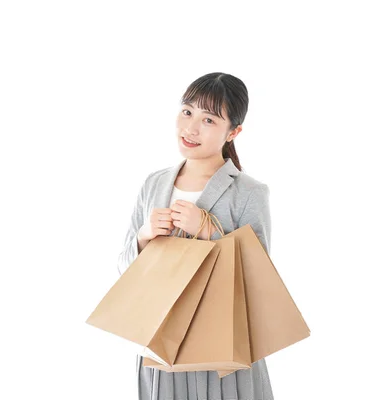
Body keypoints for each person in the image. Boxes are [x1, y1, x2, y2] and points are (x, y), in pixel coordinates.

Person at [117, 72, 274, 400]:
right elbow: (124, 271)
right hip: (162, 344)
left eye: (209, 119)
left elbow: (260, 280)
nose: (191, 128)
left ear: (233, 132)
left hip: (221, 348)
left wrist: (208, 230)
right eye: (187, 112)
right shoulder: (154, 184)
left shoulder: (249, 192)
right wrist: (144, 237)